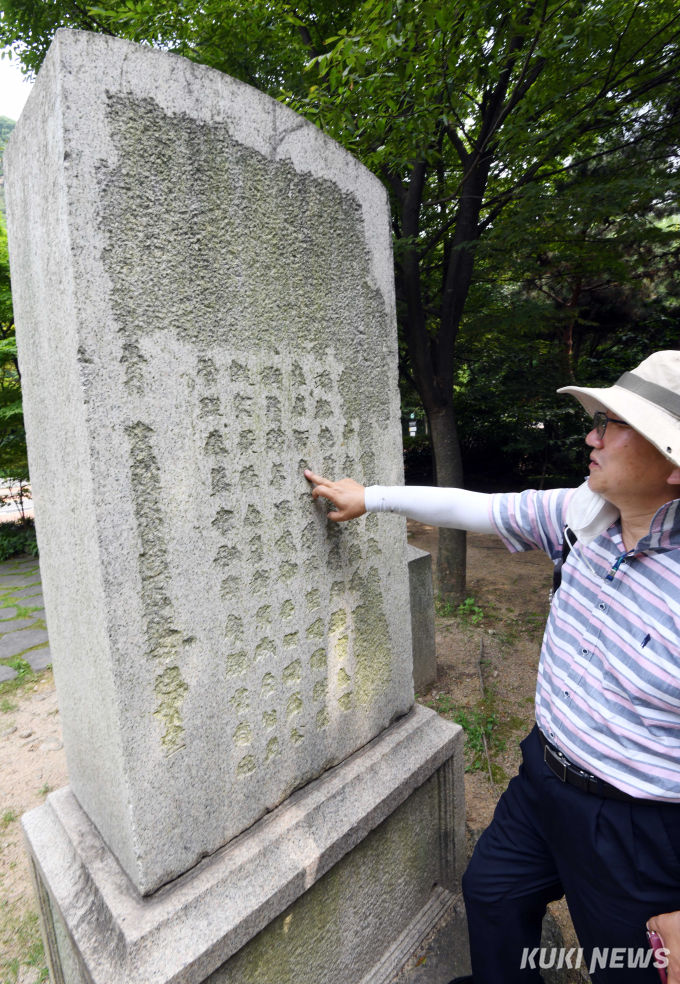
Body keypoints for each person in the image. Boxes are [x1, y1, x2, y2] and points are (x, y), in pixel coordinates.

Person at [305, 351, 680, 984]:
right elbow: (477, 508)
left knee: (624, 970)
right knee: (492, 894)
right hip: (545, 776)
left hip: (639, 829)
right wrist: (370, 497)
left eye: (614, 426)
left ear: (672, 464)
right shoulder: (579, 517)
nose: (592, 436)